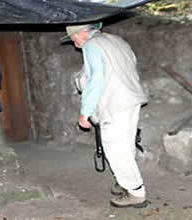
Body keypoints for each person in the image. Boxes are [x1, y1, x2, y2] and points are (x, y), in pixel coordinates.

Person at [61, 23, 148, 208]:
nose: (75, 44)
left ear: (81, 33)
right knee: (126, 144)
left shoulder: (92, 46)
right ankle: (123, 180)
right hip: (131, 98)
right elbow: (131, 64)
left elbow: (96, 80)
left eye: (74, 38)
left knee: (116, 149)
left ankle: (135, 191)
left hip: (114, 102)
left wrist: (85, 112)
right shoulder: (117, 41)